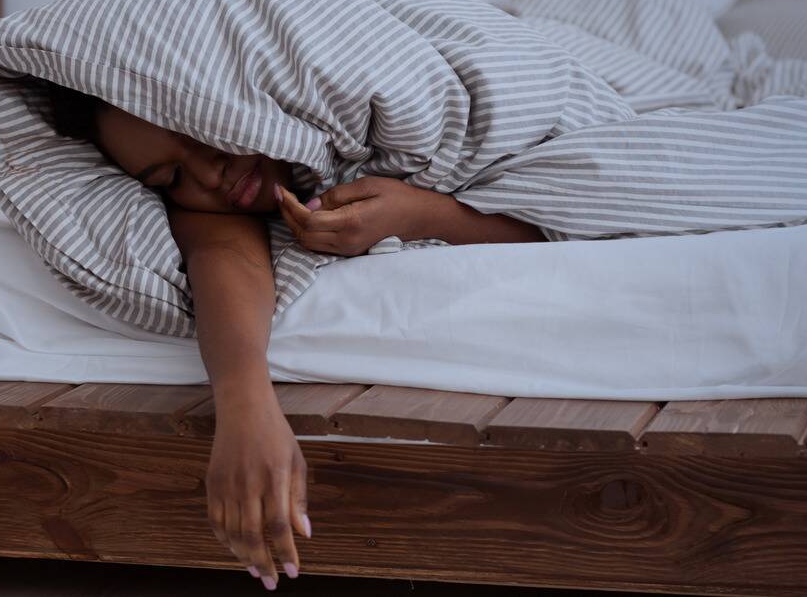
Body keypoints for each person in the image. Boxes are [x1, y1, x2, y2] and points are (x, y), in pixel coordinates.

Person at [39, 79, 545, 591]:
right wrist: (244, 410)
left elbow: (593, 208)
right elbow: (222, 254)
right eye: (171, 176)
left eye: (200, 132)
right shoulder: (210, 204)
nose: (208, 175)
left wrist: (423, 213)